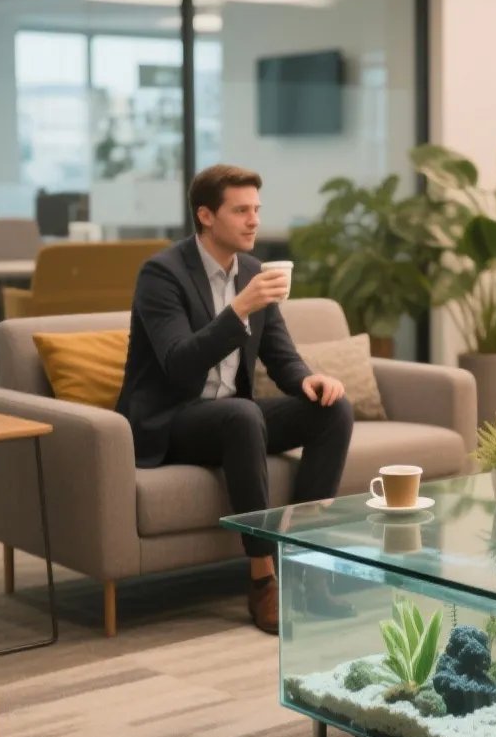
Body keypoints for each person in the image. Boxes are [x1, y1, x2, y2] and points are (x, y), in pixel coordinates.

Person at [116, 164, 353, 635]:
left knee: (333, 411)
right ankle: (262, 580)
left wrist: (308, 380)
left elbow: (279, 353)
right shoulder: (161, 275)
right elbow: (180, 363)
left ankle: (306, 567)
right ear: (206, 215)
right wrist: (239, 307)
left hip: (230, 416)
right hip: (171, 420)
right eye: (240, 210)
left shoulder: (250, 270)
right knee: (242, 415)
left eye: (256, 210)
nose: (253, 221)